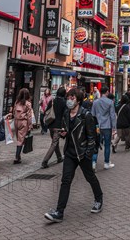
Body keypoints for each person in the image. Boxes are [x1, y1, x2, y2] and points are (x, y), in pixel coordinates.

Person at [44, 88, 103, 222]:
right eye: (68, 98)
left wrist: (88, 153)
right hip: (70, 153)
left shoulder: (86, 115)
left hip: (82, 153)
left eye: (72, 98)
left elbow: (91, 137)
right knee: (66, 181)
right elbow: (69, 131)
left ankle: (99, 198)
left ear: (78, 100)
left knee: (90, 177)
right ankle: (59, 212)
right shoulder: (66, 113)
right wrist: (65, 134)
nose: (69, 100)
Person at [91, 86, 117, 170]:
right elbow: (112, 115)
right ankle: (106, 163)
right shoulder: (110, 102)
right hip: (107, 126)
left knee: (96, 144)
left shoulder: (95, 102)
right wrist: (114, 127)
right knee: (107, 145)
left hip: (97, 126)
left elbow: (93, 114)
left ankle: (93, 163)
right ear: (106, 92)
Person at [41, 87, 67, 169]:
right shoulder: (64, 102)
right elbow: (65, 115)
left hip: (51, 124)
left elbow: (46, 111)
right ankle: (45, 161)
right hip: (58, 126)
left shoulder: (52, 101)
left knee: (55, 142)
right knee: (54, 143)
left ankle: (59, 157)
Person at [11, 88, 33, 164]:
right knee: (21, 140)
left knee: (18, 139)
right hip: (23, 122)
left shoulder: (17, 102)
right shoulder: (28, 103)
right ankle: (17, 157)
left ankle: (18, 156)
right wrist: (30, 126)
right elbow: (29, 116)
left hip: (16, 121)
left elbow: (14, 111)